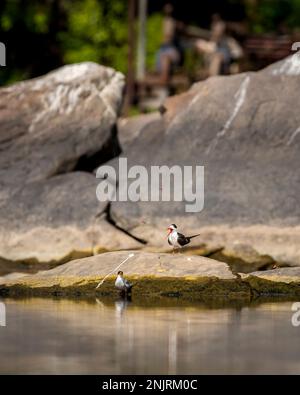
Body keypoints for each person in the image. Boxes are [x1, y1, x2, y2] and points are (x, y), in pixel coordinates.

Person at [156, 3, 183, 85]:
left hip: (172, 48)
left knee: (166, 58)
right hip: (163, 48)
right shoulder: (165, 21)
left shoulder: (175, 22)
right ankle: (162, 80)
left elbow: (170, 36)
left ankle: (164, 81)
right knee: (162, 58)